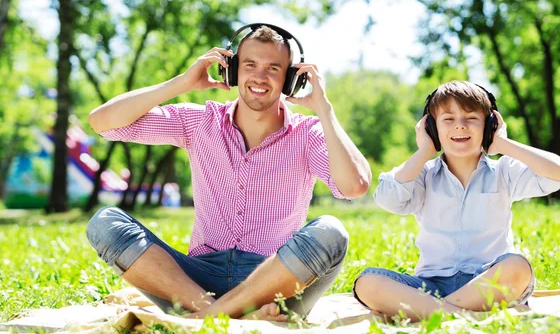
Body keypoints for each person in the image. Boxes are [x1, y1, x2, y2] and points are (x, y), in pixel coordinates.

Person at [86, 24, 371, 320]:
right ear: (232, 71)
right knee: (105, 223)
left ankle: (207, 320)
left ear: (291, 80)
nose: (260, 77)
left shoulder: (309, 133)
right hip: (196, 282)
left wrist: (324, 109)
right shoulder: (199, 121)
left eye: (273, 68)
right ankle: (225, 315)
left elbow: (355, 186)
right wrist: (181, 84)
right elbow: (103, 122)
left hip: (276, 280)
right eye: (250, 65)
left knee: (331, 231)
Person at [353, 81, 560, 321]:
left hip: (487, 283)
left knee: (517, 267)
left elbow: (559, 173)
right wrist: (425, 151)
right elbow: (387, 198)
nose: (460, 125)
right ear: (432, 129)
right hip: (429, 287)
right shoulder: (422, 174)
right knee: (367, 281)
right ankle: (460, 316)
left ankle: (435, 313)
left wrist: (502, 144)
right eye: (448, 119)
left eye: (471, 118)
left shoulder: (504, 171)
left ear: (489, 126)